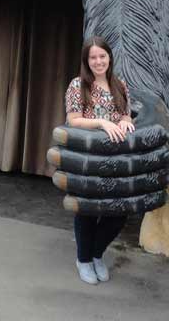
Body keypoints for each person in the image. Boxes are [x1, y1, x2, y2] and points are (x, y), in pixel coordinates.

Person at [64, 36, 135, 285]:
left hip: (116, 161)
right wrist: (102, 122)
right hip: (87, 161)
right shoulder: (77, 85)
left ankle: (96, 254)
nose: (98, 61)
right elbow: (73, 120)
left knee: (119, 212)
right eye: (93, 57)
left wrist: (126, 121)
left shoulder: (120, 84)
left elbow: (126, 115)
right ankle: (84, 260)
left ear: (109, 57)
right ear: (87, 60)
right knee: (87, 210)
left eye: (102, 56)